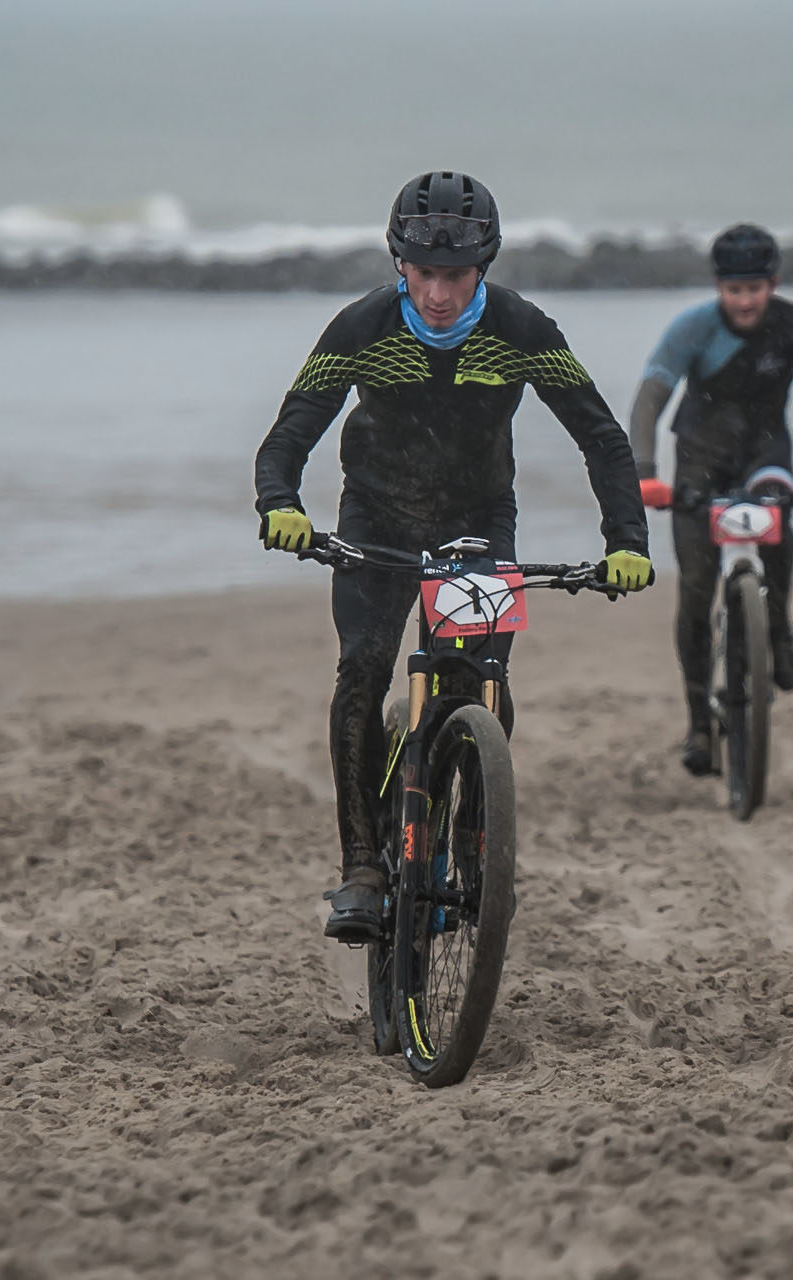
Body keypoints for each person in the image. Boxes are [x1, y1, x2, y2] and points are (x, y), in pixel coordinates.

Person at [254, 170, 652, 941]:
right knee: (363, 671)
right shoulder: (361, 328)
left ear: (485, 267)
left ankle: (475, 832)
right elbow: (290, 432)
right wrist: (282, 507)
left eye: (457, 275)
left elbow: (601, 437)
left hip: (477, 520)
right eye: (425, 273)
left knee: (480, 677)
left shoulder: (522, 327)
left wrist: (626, 543)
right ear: (400, 263)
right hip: (375, 521)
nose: (439, 293)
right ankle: (364, 866)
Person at [626, 223, 793, 776]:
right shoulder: (694, 329)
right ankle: (700, 724)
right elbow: (648, 402)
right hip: (699, 460)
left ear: (773, 284)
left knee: (780, 530)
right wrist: (644, 475)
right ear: (718, 287)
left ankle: (776, 627)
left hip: (765, 456)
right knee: (697, 594)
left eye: (755, 289)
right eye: (735, 290)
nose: (746, 300)